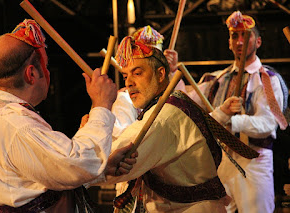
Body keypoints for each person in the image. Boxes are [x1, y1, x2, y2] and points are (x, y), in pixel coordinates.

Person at [0, 19, 137, 213]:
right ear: (31, 74)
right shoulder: (17, 125)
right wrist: (102, 105)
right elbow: (79, 163)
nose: (48, 72)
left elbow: (37, 176)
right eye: (46, 66)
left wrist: (103, 167)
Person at [93, 33, 258, 212]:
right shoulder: (171, 103)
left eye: (138, 73)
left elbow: (112, 162)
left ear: (161, 73)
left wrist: (97, 116)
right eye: (125, 76)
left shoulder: (164, 117)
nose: (130, 82)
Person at [185, 11, 288, 213]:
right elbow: (185, 105)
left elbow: (267, 125)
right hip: (222, 161)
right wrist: (171, 71)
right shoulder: (216, 79)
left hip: (254, 161)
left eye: (246, 36)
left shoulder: (267, 79)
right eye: (234, 36)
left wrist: (234, 122)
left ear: (258, 42)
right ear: (229, 43)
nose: (240, 42)